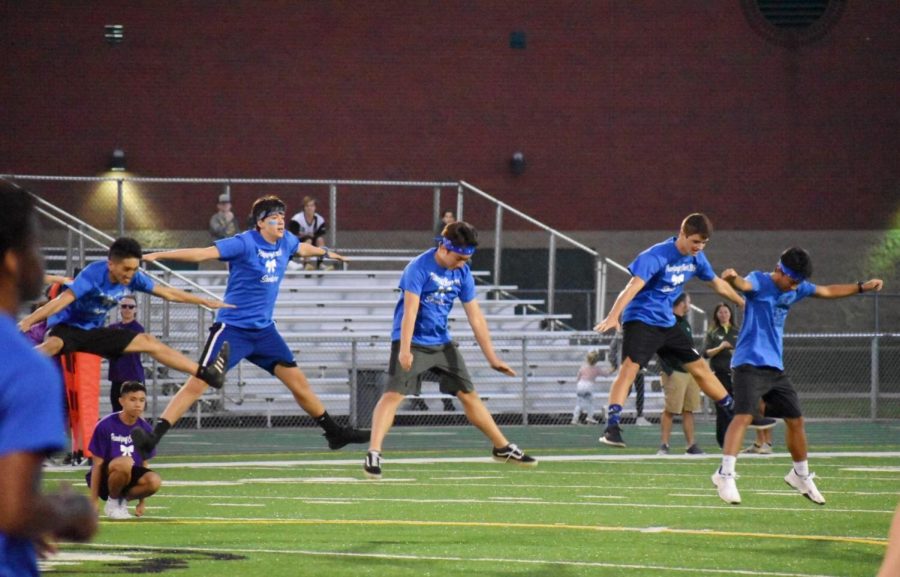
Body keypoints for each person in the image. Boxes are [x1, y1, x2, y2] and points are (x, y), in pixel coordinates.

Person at [132, 195, 368, 457]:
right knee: (199, 382)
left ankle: (334, 433)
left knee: (299, 383)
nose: (281, 222)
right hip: (233, 329)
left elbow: (303, 248)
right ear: (260, 222)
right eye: (275, 218)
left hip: (264, 331)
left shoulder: (286, 241)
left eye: (282, 217)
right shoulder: (243, 242)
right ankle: (153, 438)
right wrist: (157, 255)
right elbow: (203, 253)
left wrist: (325, 252)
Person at [363, 221, 537, 479]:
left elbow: (475, 317)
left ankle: (502, 447)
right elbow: (409, 311)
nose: (462, 263)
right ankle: (373, 453)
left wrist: (492, 357)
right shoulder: (418, 268)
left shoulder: (463, 272)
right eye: (458, 257)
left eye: (466, 258)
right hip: (413, 341)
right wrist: (405, 349)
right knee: (393, 395)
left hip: (442, 342)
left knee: (468, 394)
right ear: (444, 247)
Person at [711, 247, 884, 505]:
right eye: (792, 281)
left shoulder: (796, 287)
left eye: (799, 283)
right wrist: (732, 278)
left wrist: (862, 287)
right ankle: (725, 474)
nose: (795, 287)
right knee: (744, 415)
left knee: (796, 419)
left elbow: (826, 291)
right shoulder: (760, 280)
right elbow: (743, 284)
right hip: (748, 363)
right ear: (780, 270)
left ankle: (799, 475)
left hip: (775, 368)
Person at [593, 213, 771, 448]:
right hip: (642, 320)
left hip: (667, 322)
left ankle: (735, 411)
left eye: (704, 243)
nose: (699, 247)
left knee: (699, 368)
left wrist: (741, 302)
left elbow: (716, 282)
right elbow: (632, 287)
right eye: (695, 241)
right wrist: (613, 316)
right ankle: (612, 427)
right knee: (629, 369)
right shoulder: (656, 255)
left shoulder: (696, 258)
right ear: (683, 234)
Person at [0, 180, 97, 576]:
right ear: (11, 260)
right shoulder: (25, 366)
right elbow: (14, 510)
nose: (41, 261)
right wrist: (66, 511)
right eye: (36, 247)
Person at [16, 237, 232, 391]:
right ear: (111, 264)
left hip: (94, 332)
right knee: (53, 345)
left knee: (148, 341)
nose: (131, 275)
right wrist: (29, 320)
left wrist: (203, 301)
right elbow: (61, 301)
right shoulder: (93, 274)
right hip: (67, 327)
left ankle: (206, 373)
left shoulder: (134, 277)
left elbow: (167, 293)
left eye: (135, 269)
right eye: (126, 270)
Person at [85, 381, 161, 520]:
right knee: (125, 462)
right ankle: (113, 501)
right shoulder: (105, 425)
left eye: (141, 400)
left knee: (154, 480)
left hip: (129, 476)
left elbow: (144, 464)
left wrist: (142, 502)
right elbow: (97, 465)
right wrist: (93, 500)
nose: (138, 404)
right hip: (106, 478)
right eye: (132, 399)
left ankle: (118, 502)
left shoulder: (145, 429)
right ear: (121, 401)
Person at [656, 293, 703, 455]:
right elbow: (660, 346)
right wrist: (667, 368)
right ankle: (664, 445)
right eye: (688, 301)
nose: (690, 304)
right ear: (682, 303)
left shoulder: (685, 323)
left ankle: (691, 445)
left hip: (689, 372)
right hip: (675, 371)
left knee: (688, 409)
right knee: (671, 409)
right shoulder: (669, 321)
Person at [702, 302, 742, 449]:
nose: (723, 315)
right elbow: (705, 353)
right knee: (723, 409)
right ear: (716, 315)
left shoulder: (737, 330)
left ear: (730, 314)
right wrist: (721, 347)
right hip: (720, 375)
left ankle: (734, 441)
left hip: (737, 374)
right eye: (721, 312)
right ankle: (723, 442)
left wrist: (734, 350)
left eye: (726, 312)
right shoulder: (713, 332)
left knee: (737, 409)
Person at [106, 295, 146, 412]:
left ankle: (138, 431)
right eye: (124, 306)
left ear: (135, 309)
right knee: (117, 409)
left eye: (131, 306)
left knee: (134, 410)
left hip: (132, 376)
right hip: (116, 376)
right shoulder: (112, 328)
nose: (127, 309)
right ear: (120, 308)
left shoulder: (138, 329)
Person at [608, 328, 650, 426]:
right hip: (627, 366)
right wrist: (614, 363)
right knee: (627, 389)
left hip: (638, 366)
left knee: (640, 391)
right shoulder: (622, 331)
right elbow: (612, 349)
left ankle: (639, 416)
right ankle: (613, 409)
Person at [571, 350, 610, 425]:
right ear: (596, 361)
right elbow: (605, 374)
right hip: (589, 386)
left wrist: (578, 383)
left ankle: (575, 419)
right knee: (591, 402)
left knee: (579, 403)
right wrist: (611, 370)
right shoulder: (596, 369)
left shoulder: (583, 367)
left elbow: (578, 376)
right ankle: (590, 417)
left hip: (580, 385)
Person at [290, 196, 327, 270]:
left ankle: (320, 264)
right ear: (304, 208)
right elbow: (292, 236)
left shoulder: (319, 220)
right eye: (307, 206)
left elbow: (319, 234)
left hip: (312, 242)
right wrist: (306, 236)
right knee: (308, 240)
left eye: (312, 206)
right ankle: (307, 264)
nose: (309, 208)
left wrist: (311, 236)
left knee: (320, 240)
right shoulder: (296, 219)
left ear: (315, 207)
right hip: (298, 244)